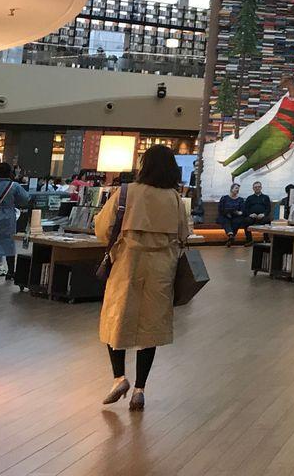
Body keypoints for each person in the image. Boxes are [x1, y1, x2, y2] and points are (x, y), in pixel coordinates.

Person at [94, 145, 190, 412]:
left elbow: (103, 229)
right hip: (161, 268)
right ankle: (140, 389)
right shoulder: (174, 199)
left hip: (127, 264)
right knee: (150, 328)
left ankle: (118, 378)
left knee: (116, 319)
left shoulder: (126, 192)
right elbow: (184, 234)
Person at [0, 161, 30, 281]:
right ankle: (11, 272)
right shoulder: (14, 186)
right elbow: (25, 199)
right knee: (9, 244)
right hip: (8, 218)